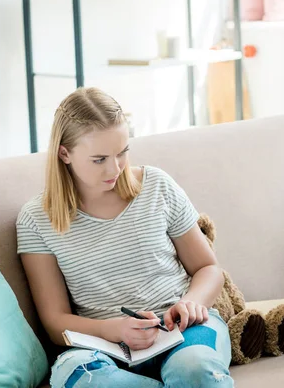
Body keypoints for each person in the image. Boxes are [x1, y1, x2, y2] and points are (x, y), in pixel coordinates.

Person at [16, 87, 233, 388]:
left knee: (195, 369)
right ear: (64, 153)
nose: (115, 168)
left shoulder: (157, 186)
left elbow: (208, 269)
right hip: (104, 345)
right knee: (77, 375)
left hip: (185, 332)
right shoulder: (36, 219)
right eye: (99, 159)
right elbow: (55, 322)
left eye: (122, 153)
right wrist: (115, 329)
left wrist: (191, 303)